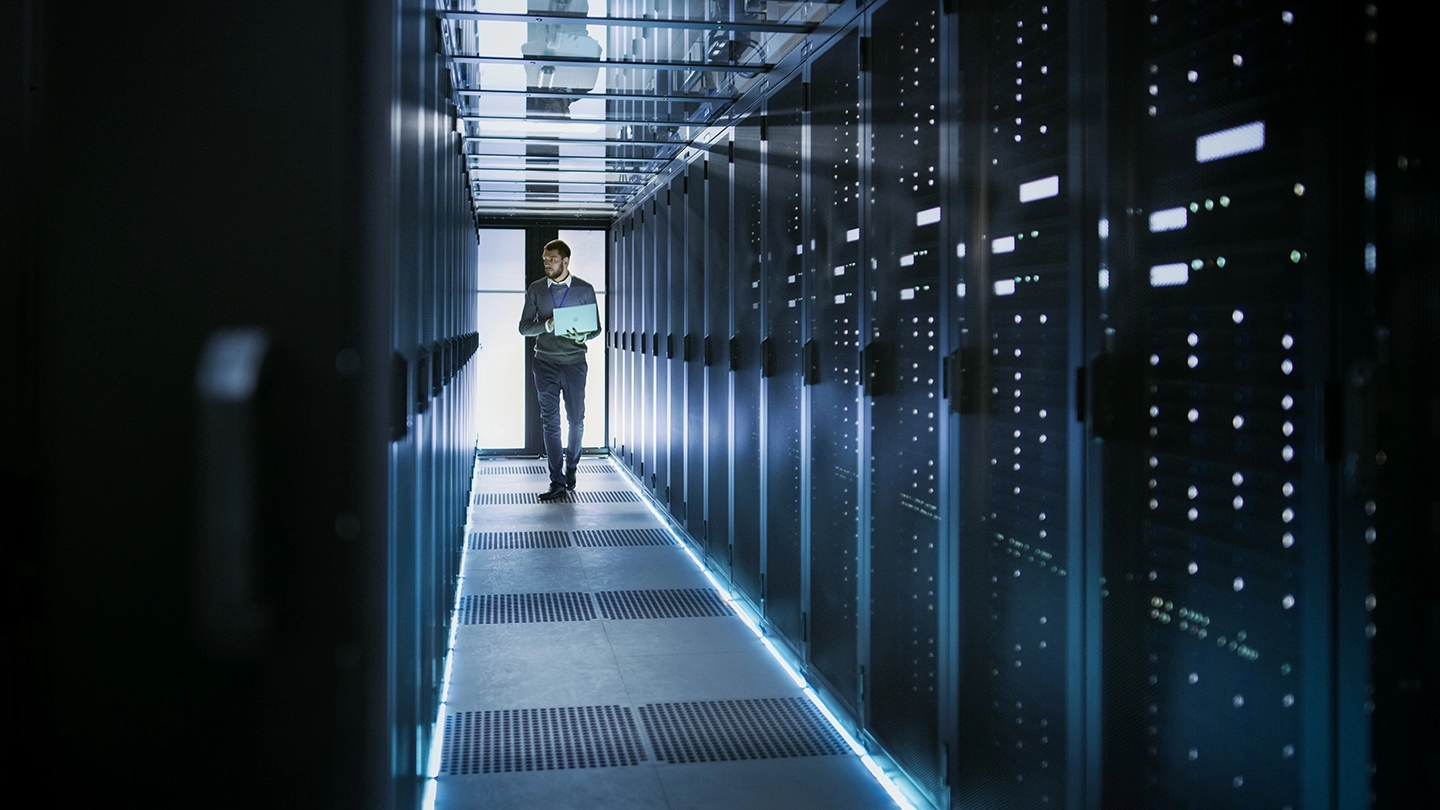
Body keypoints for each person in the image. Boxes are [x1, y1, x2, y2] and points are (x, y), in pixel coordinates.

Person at [517, 239, 600, 501]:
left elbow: (596, 328)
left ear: (565, 261)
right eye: (545, 259)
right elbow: (524, 328)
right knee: (550, 422)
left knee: (576, 420)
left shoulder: (584, 289)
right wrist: (547, 325)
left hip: (575, 363)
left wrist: (581, 336)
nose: (547, 263)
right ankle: (557, 481)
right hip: (545, 363)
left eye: (552, 259)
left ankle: (571, 467)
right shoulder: (537, 289)